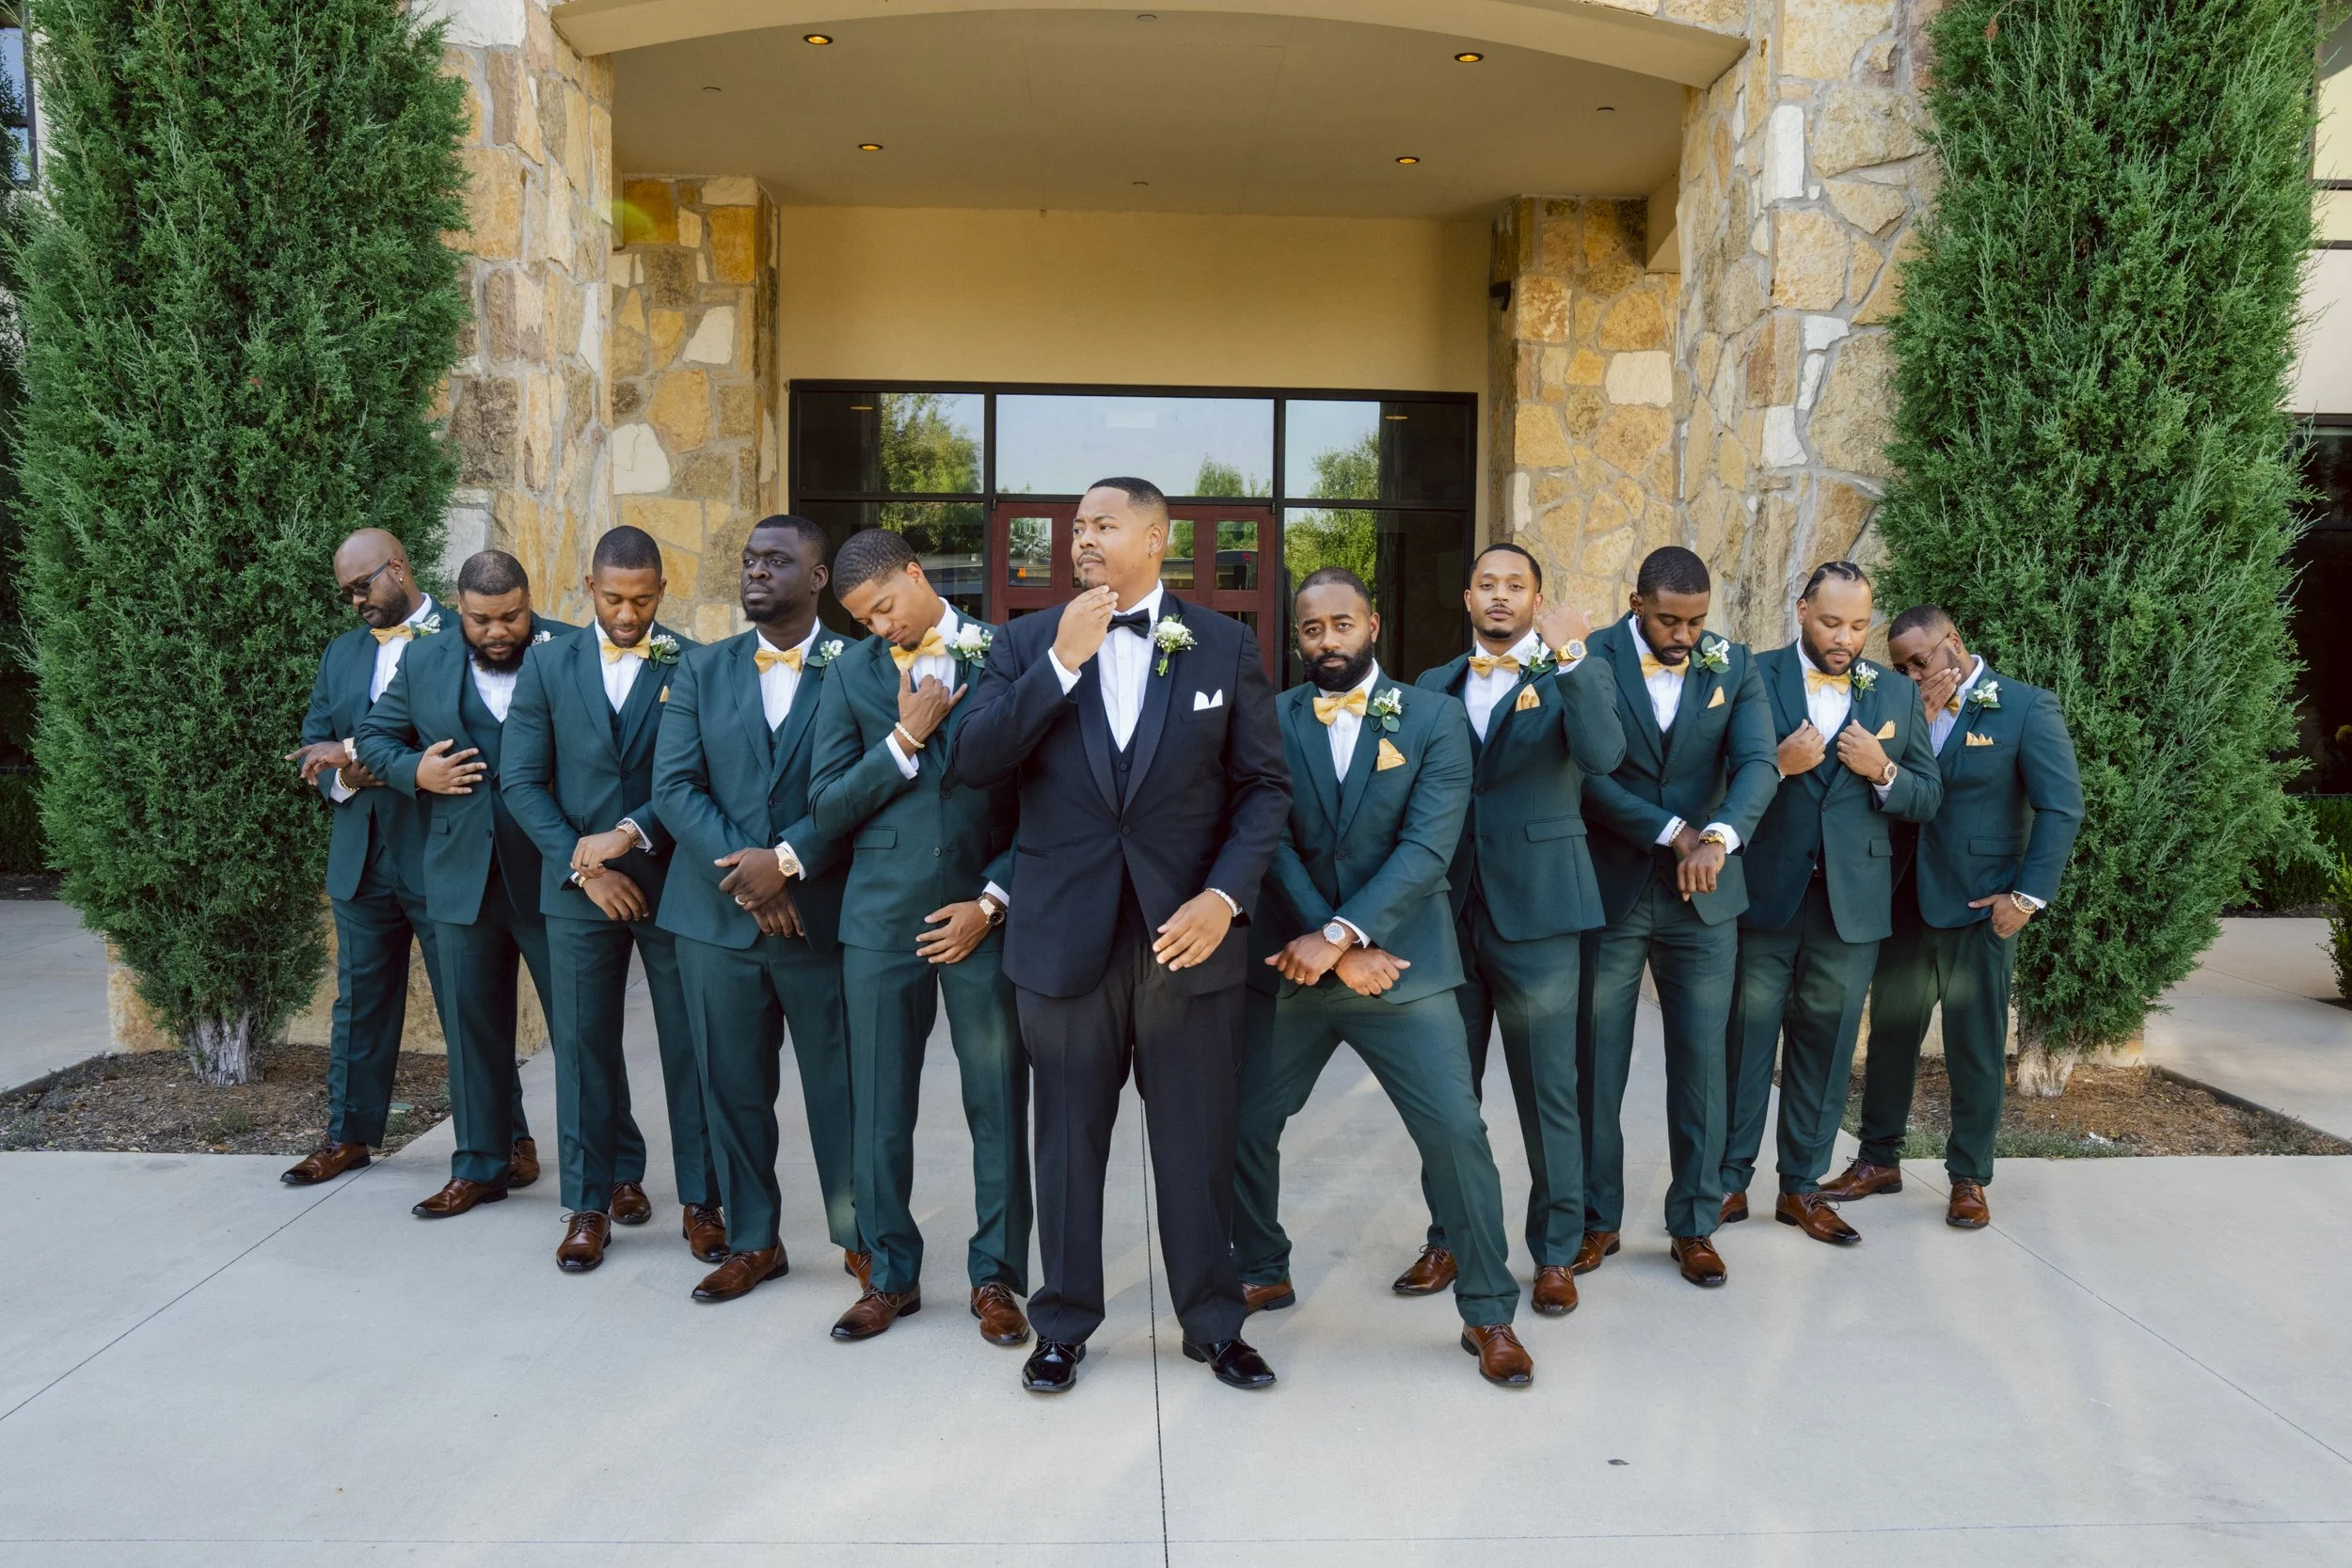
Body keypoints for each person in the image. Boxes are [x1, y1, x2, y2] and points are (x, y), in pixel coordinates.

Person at [954, 477, 1289, 1396]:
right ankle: (1062, 1322)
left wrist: (1224, 894)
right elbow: (974, 760)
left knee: (1195, 1141)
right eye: (1075, 528)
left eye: (1102, 525)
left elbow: (1263, 787)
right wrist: (1056, 668)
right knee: (1065, 1141)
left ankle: (1214, 1322)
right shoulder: (1023, 641)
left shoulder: (1222, 642)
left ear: (1156, 536)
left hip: (1186, 941)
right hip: (1063, 940)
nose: (1082, 541)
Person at [1231, 568, 1532, 1387]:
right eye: (1311, 630)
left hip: (1402, 966)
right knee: (1243, 1121)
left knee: (1456, 1136)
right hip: (1297, 966)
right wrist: (1325, 942)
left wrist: (1344, 933)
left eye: (1341, 624)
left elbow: (1429, 847)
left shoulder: (1433, 718)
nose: (1326, 641)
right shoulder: (1272, 716)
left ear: (1373, 624)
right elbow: (1270, 835)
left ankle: (1489, 1311)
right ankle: (1262, 1262)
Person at [806, 529, 1032, 1349]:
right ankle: (890, 1273)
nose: (880, 628)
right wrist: (902, 740)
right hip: (878, 922)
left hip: (983, 916)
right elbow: (826, 805)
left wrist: (993, 899)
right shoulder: (848, 677)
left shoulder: (1007, 653)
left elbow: (1048, 799)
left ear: (915, 574)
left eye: (886, 607)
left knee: (998, 1101)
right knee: (879, 1106)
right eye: (863, 620)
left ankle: (999, 1276)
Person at [1402, 543, 1624, 1317]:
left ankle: (1556, 1250)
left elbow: (1603, 754)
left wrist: (1575, 657)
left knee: (1547, 1092)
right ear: (1467, 598)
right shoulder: (1432, 685)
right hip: (1447, 916)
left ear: (1538, 598)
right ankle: (1449, 1236)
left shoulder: (1570, 673)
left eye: (1516, 586)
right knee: (1446, 1095)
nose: (1501, 597)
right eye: (1488, 585)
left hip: (1539, 914)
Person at [650, 515, 866, 1306]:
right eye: (748, 560)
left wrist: (788, 869)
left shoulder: (859, 666)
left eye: (777, 561)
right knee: (733, 1089)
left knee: (840, 1089)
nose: (756, 572)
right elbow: (674, 787)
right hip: (715, 924)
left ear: (817, 579)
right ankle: (753, 1239)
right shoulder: (701, 670)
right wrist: (752, 877)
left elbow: (867, 794)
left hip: (821, 917)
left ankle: (862, 1238)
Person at [501, 525, 723, 1274]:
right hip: (576, 890)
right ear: (589, 589)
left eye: (642, 599)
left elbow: (692, 777)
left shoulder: (694, 663)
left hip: (675, 884)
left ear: (663, 591)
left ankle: (703, 1198)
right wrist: (587, 866)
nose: (627, 615)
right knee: (583, 1047)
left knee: (689, 1045)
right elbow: (520, 781)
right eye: (614, 598)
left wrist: (630, 835)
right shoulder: (547, 666)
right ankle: (588, 1204)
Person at [1822, 606, 2083, 1227]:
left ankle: (1969, 1175)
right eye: (1902, 666)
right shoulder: (1901, 706)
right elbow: (1883, 790)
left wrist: (2025, 897)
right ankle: (1877, 1158)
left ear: (1955, 644)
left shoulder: (2025, 707)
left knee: (1976, 1047)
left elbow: (2062, 807)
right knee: (1889, 1038)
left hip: (1977, 907)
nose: (1913, 674)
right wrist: (1919, 720)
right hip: (1906, 899)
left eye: (1922, 660)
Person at [1719, 562, 1941, 1244]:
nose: (1844, 637)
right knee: (1743, 1043)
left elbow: (1927, 797)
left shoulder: (1895, 699)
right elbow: (1711, 772)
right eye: (1830, 621)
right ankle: (1724, 1182)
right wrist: (1773, 765)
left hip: (1852, 906)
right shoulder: (1751, 675)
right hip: (1765, 896)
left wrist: (1885, 769)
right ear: (1801, 610)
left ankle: (1802, 1188)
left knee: (1827, 1044)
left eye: (1857, 624)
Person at [1577, 546, 1777, 1288]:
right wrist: (1673, 831)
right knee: (1597, 1064)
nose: (1685, 634)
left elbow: (1758, 763)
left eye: (1697, 619)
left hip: (1706, 897)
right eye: (1669, 618)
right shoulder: (1593, 656)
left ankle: (1695, 1222)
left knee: (1701, 1063)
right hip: (1614, 889)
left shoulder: (1736, 663)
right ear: (1636, 603)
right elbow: (1587, 776)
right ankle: (1596, 1220)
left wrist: (1718, 837)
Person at [356, 550, 572, 1216]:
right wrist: (415, 771)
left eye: (511, 615)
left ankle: (612, 1170)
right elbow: (372, 736)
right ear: (460, 607)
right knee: (472, 1031)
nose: (498, 631)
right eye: (482, 620)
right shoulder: (425, 661)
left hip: (551, 878)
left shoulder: (568, 650)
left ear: (528, 600)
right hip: (459, 877)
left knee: (580, 1032)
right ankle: (481, 1163)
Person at [282, 530, 471, 1185]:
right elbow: (315, 749)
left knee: (467, 1002)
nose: (356, 601)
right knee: (359, 1002)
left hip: (441, 852)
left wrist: (357, 755)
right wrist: (348, 773)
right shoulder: (341, 654)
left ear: (399, 566)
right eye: (345, 593)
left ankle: (508, 1138)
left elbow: (458, 741)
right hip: (361, 854)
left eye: (364, 585)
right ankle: (349, 1136)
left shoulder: (462, 635)